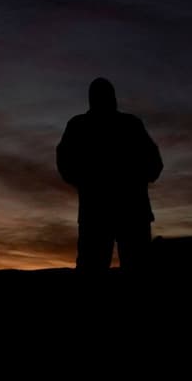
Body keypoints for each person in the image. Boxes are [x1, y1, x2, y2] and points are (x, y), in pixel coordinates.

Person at [56, 78, 163, 273]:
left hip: (108, 212)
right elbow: (155, 164)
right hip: (117, 212)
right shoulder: (127, 124)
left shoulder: (81, 126)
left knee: (109, 266)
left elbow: (155, 163)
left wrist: (86, 182)